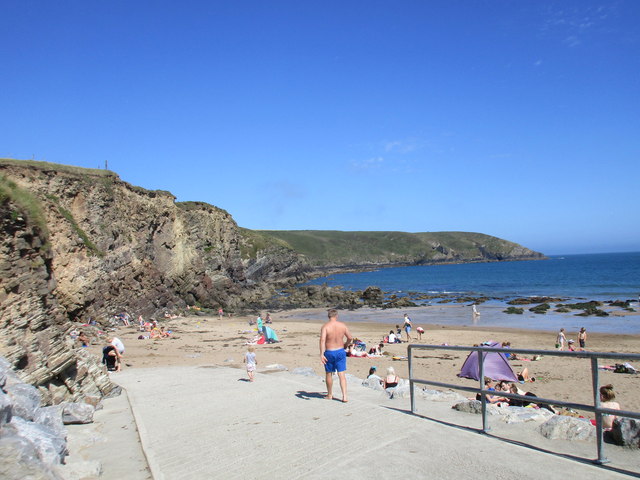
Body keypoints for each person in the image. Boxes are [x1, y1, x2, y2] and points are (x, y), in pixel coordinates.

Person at [320, 308, 353, 403]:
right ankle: (345, 396)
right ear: (336, 316)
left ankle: (330, 394)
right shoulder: (342, 325)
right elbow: (350, 337)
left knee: (329, 373)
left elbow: (322, 340)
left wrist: (321, 354)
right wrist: (346, 344)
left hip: (329, 351)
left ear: (328, 316)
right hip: (340, 351)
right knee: (341, 374)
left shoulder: (325, 326)